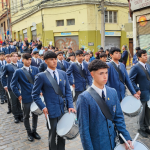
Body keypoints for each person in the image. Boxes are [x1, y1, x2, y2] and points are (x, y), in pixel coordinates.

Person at [77, 59, 134, 150]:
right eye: (101, 73)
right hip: (97, 145)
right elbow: (84, 130)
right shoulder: (84, 98)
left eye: (106, 73)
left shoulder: (112, 92)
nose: (105, 76)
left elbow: (119, 118)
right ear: (92, 74)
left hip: (113, 142)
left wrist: (126, 137)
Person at [32, 51, 76, 150]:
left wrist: (70, 106)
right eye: (51, 59)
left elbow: (68, 92)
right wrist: (43, 107)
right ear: (45, 61)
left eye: (55, 59)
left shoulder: (63, 73)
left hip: (63, 109)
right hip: (50, 110)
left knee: (62, 132)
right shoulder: (41, 76)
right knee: (53, 134)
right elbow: (35, 94)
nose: (54, 61)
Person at [11, 53, 41, 142]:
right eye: (27, 59)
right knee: (26, 116)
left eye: (30, 59)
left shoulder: (36, 69)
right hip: (26, 97)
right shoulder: (18, 71)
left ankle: (34, 131)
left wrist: (41, 91)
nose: (29, 61)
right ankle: (29, 133)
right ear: (22, 60)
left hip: (35, 97)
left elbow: (40, 81)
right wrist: (19, 95)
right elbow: (13, 85)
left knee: (35, 114)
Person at [129, 50, 150, 138]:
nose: (146, 56)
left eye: (146, 55)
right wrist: (136, 89)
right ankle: (141, 128)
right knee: (142, 111)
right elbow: (130, 79)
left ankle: (146, 127)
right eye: (144, 55)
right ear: (139, 57)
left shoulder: (148, 66)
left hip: (148, 92)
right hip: (142, 92)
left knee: (148, 111)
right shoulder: (136, 67)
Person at [2, 52, 23, 123]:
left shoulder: (21, 65)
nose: (15, 57)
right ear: (10, 58)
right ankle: (16, 116)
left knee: (20, 102)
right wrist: (5, 85)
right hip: (12, 87)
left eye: (16, 56)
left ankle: (21, 115)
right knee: (14, 102)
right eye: (13, 56)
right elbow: (3, 77)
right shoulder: (7, 66)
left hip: (20, 86)